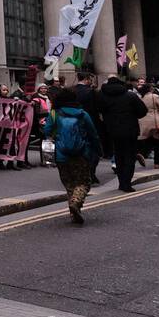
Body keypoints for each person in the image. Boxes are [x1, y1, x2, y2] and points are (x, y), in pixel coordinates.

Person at [43, 88, 102, 224]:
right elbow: (93, 134)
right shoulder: (82, 114)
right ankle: (76, 204)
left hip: (61, 154)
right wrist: (98, 150)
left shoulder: (54, 114)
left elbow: (46, 131)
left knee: (69, 184)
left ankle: (73, 211)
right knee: (84, 182)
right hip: (81, 153)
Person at [96, 75, 147, 192]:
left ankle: (121, 182)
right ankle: (126, 183)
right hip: (130, 130)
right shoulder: (130, 95)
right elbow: (142, 111)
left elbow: (98, 110)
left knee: (118, 155)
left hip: (112, 130)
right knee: (129, 156)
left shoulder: (102, 96)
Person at [137, 83, 159, 168]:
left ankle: (141, 153)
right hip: (155, 121)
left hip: (143, 121)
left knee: (148, 140)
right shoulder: (155, 96)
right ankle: (157, 163)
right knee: (158, 143)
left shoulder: (140, 97)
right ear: (150, 89)